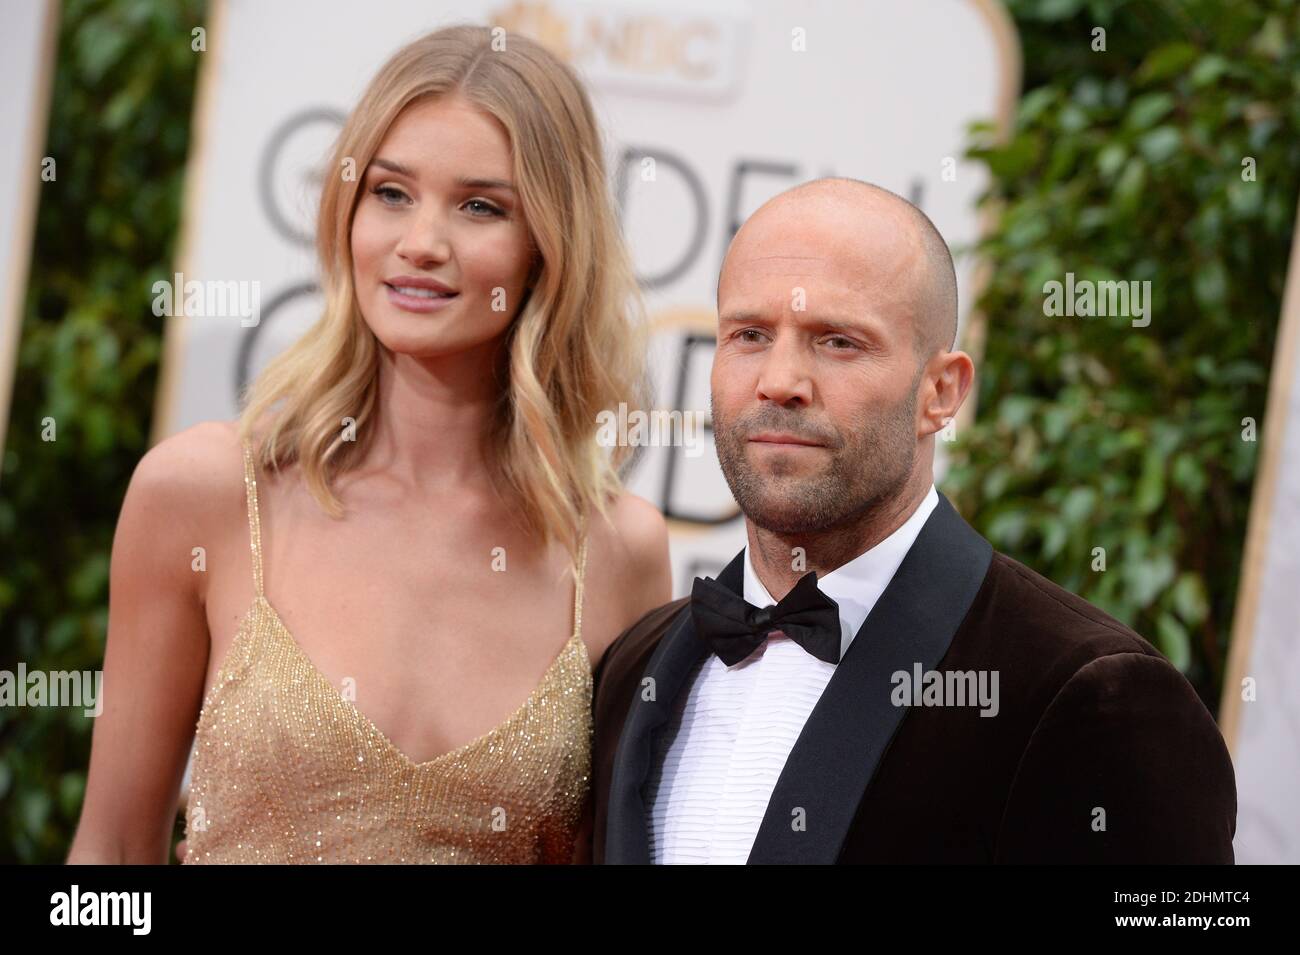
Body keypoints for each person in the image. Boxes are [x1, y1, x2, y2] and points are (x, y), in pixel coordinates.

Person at [67, 24, 671, 865]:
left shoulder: (616, 552)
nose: (421, 241)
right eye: (391, 193)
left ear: (547, 250)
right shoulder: (205, 492)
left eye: (480, 206)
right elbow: (112, 852)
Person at [591, 177, 1237, 864]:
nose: (780, 380)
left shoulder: (1088, 695)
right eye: (749, 334)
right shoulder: (635, 666)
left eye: (838, 341)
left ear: (941, 391)